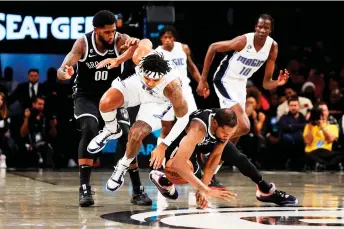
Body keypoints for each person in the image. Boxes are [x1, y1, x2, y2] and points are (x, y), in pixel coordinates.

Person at [87, 38, 209, 198]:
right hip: (137, 86)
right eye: (148, 77)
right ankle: (111, 129)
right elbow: (143, 41)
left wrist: (163, 146)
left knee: (135, 134)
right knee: (105, 103)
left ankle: (122, 165)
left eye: (155, 79)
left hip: (158, 101)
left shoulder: (174, 89)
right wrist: (119, 59)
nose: (151, 82)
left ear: (163, 75)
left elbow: (183, 120)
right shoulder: (141, 56)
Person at [57, 10, 152, 207]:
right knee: (90, 128)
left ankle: (137, 190)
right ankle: (85, 188)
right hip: (87, 96)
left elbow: (140, 47)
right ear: (96, 31)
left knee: (128, 135)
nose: (111, 35)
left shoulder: (119, 40)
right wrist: (64, 72)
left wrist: (134, 45)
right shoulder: (83, 43)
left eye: (113, 31)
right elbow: (63, 68)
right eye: (107, 32)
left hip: (113, 94)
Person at [196, 13, 289, 177]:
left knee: (234, 136)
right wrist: (203, 80)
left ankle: (211, 172)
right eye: (259, 26)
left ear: (270, 30)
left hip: (240, 84)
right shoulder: (244, 41)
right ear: (255, 27)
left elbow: (266, 83)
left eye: (266, 27)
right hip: (224, 80)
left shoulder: (272, 47)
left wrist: (277, 83)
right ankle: (208, 146)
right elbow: (213, 47)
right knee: (244, 126)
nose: (262, 30)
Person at [150, 108, 298, 207]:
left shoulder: (226, 127)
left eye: (230, 134)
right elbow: (178, 164)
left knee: (240, 158)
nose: (227, 136)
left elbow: (214, 158)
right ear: (215, 123)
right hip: (182, 148)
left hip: (206, 143)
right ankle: (163, 179)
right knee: (185, 172)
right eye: (225, 133)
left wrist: (203, 188)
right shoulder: (198, 128)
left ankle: (265, 190)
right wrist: (205, 189)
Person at [154, 26, 222, 189]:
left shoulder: (183, 48)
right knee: (166, 128)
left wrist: (201, 81)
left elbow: (191, 67)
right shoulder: (156, 53)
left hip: (185, 90)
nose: (168, 39)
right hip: (167, 92)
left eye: (170, 37)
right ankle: (160, 164)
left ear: (174, 38)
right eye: (165, 37)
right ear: (161, 39)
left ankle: (195, 163)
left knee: (195, 125)